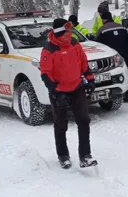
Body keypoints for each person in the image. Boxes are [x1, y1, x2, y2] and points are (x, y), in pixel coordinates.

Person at [39, 18, 98, 168]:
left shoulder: (74, 44)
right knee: (61, 124)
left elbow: (83, 63)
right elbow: (46, 74)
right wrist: (56, 93)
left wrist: (90, 79)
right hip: (59, 91)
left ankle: (85, 156)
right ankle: (63, 155)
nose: (69, 34)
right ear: (59, 33)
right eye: (66, 32)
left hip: (77, 87)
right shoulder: (49, 49)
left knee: (84, 120)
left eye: (70, 31)